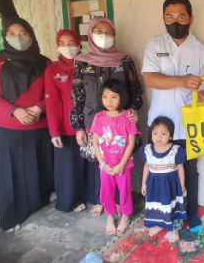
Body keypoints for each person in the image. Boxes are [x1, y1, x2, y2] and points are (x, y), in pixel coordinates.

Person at [142, 0, 204, 231]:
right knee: (157, 171)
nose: (175, 21)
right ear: (163, 19)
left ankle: (190, 214)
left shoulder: (202, 53)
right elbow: (150, 78)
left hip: (188, 126)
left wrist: (203, 124)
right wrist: (182, 81)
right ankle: (159, 215)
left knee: (188, 173)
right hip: (159, 125)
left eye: (181, 16)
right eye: (169, 17)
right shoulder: (155, 45)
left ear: (190, 19)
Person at [0, 18, 53, 231]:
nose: (18, 38)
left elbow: (53, 92)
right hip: (8, 127)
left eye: (23, 33)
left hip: (40, 126)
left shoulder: (44, 63)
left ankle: (37, 202)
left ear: (31, 35)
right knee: (10, 172)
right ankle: (12, 215)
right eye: (11, 33)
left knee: (38, 167)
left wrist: (40, 107)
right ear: (4, 36)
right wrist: (15, 111)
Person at [70, 17, 144, 217]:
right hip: (93, 122)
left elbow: (135, 90)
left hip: (120, 124)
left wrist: (133, 109)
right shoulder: (82, 61)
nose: (104, 36)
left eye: (108, 32)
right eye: (98, 31)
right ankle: (101, 200)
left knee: (121, 162)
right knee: (99, 162)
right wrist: (78, 126)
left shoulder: (125, 60)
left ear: (115, 35)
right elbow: (77, 95)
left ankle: (122, 203)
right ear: (90, 35)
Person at [45, 29, 86, 213]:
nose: (68, 47)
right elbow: (52, 101)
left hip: (89, 124)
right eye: (63, 43)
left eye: (71, 43)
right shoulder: (53, 69)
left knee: (88, 165)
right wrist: (54, 131)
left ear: (79, 44)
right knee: (69, 168)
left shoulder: (88, 63)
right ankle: (71, 200)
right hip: (66, 127)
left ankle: (91, 197)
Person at [91, 79, 138, 234]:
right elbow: (95, 144)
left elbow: (131, 143)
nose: (109, 101)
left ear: (121, 97)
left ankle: (125, 216)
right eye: (105, 97)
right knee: (106, 191)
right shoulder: (98, 117)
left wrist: (122, 165)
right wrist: (102, 164)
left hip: (123, 164)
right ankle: (110, 216)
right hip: (105, 165)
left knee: (124, 190)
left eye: (113, 97)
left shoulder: (127, 117)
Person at [140, 116, 187, 242]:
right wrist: (144, 183)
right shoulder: (148, 150)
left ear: (171, 136)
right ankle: (160, 224)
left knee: (173, 207)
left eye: (163, 134)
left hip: (172, 186)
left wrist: (182, 185)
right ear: (151, 135)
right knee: (159, 207)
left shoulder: (176, 151)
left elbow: (181, 168)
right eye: (155, 133)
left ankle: (175, 229)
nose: (158, 137)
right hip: (154, 186)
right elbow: (147, 166)